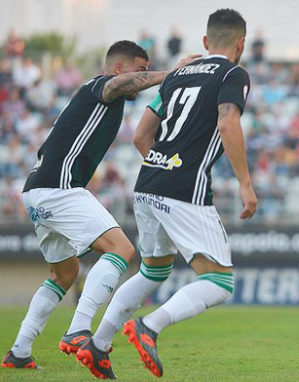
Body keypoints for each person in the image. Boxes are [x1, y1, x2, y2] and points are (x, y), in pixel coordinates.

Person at [77, 9, 256, 379]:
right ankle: (149, 327)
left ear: (206, 43)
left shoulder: (177, 75)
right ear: (240, 44)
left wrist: (162, 166)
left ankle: (97, 345)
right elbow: (227, 121)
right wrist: (245, 184)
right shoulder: (233, 74)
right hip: (183, 187)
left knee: (152, 270)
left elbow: (142, 135)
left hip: (148, 182)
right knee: (219, 282)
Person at [1, 41, 197, 371]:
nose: (144, 75)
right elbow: (119, 84)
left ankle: (19, 351)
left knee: (65, 273)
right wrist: (173, 73)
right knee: (121, 248)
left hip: (37, 190)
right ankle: (78, 330)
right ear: (118, 67)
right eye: (141, 68)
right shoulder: (101, 86)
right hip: (58, 187)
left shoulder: (99, 97)